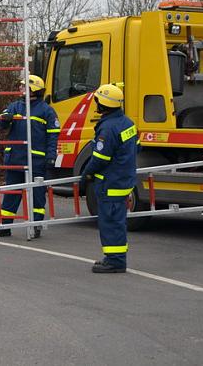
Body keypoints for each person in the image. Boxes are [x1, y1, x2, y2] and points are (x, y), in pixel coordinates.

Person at [81, 83, 137, 273]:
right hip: (123, 180)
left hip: (110, 182)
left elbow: (100, 158)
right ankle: (114, 258)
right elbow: (136, 146)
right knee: (117, 221)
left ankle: (115, 261)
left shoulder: (108, 129)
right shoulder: (127, 123)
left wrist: (86, 174)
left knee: (111, 223)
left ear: (102, 104)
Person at [0, 75, 60, 238]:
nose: (20, 88)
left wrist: (51, 156)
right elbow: (1, 124)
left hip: (36, 161)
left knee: (37, 196)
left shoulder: (47, 110)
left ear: (34, 89)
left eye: (24, 86)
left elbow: (53, 135)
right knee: (11, 193)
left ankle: (35, 225)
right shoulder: (14, 106)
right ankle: (5, 226)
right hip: (15, 159)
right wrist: (5, 119)